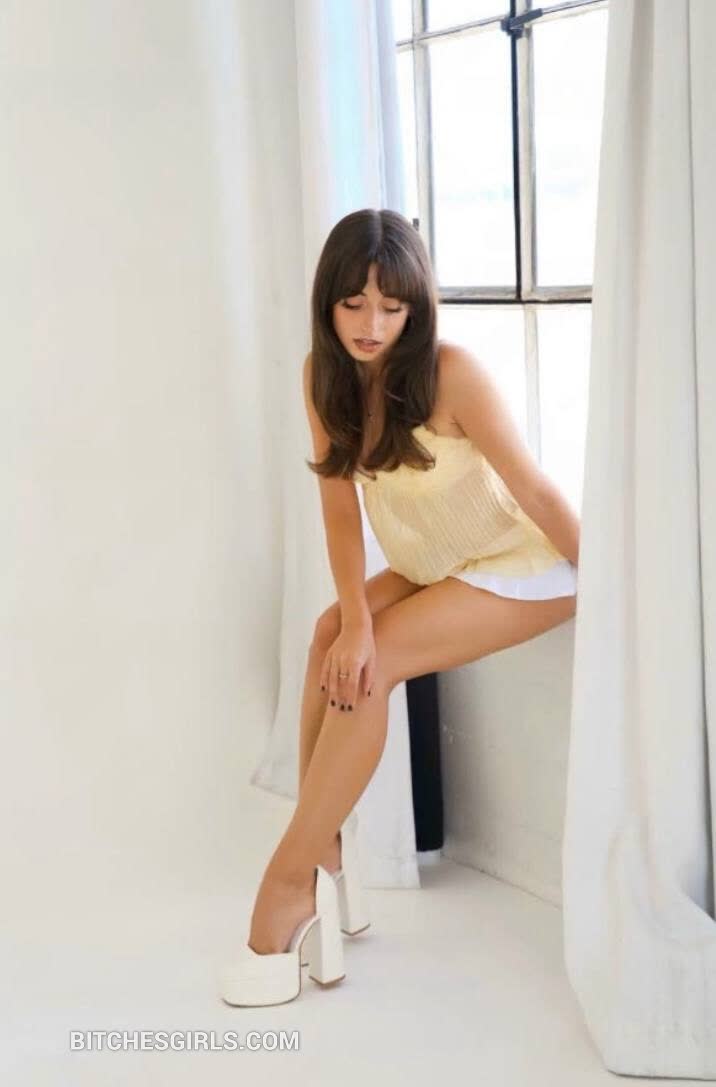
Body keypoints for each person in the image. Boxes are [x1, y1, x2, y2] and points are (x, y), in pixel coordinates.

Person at [220, 208, 580, 1006]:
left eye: (391, 306)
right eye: (354, 303)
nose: (372, 325)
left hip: (519, 562)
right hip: (435, 560)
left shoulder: (452, 374)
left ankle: (290, 880)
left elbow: (534, 490)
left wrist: (609, 583)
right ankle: (325, 854)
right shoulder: (323, 378)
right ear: (329, 301)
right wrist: (352, 615)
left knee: (371, 664)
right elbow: (339, 512)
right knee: (330, 635)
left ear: (416, 307)